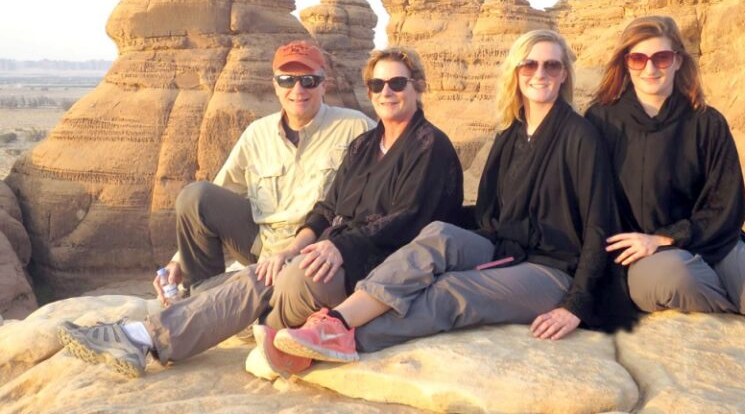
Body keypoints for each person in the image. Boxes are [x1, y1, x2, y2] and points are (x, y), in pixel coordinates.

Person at [58, 46, 464, 377]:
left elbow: (408, 220)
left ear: (417, 87)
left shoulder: (428, 146)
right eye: (377, 84)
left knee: (269, 281)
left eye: (397, 83)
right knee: (264, 274)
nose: (386, 92)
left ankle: (152, 333)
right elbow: (327, 208)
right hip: (324, 254)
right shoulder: (365, 145)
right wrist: (295, 248)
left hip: (374, 271)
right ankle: (144, 335)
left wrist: (337, 248)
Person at [272, 29, 617, 365]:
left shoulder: (580, 136)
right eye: (529, 65)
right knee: (439, 234)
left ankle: (347, 337)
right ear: (516, 72)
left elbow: (599, 226)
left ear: (563, 75)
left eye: (551, 65)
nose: (539, 74)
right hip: (507, 248)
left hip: (551, 270)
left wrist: (576, 305)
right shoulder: (511, 135)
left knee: (451, 288)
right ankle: (334, 322)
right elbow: (488, 214)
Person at [154, 40, 374, 302]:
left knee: (221, 296)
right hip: (265, 246)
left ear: (324, 84)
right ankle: (199, 293)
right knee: (195, 197)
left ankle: (208, 298)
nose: (297, 90)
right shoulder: (257, 133)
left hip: (317, 249)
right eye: (287, 80)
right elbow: (222, 188)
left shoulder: (355, 127)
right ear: (275, 86)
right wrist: (178, 260)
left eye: (309, 81)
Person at [584, 15, 745, 325]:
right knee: (680, 277)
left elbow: (726, 205)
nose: (650, 69)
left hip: (711, 242)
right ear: (626, 63)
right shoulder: (601, 121)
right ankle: (739, 318)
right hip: (640, 256)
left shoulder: (707, 122)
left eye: (662, 58)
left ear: (678, 61)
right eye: (638, 59)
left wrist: (666, 238)